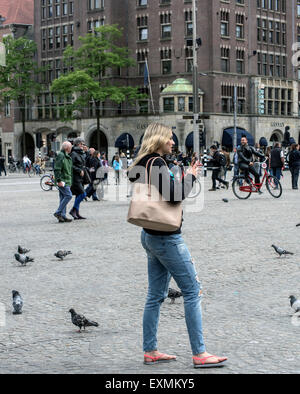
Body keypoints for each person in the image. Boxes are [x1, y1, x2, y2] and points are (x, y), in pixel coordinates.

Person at [128, 122, 227, 369]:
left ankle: (150, 350)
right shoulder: (157, 163)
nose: (173, 142)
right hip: (167, 237)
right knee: (193, 291)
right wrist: (191, 176)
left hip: (149, 235)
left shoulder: (143, 162)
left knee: (155, 296)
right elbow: (174, 196)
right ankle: (200, 353)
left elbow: (157, 189)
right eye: (170, 139)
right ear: (159, 139)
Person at [53, 141, 73, 223]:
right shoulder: (61, 156)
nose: (71, 148)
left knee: (62, 198)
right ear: (66, 148)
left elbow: (69, 170)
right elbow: (57, 169)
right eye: (70, 147)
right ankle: (58, 212)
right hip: (62, 180)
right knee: (68, 195)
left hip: (67, 180)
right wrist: (58, 180)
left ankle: (62, 216)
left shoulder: (67, 156)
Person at [69, 138, 87, 220]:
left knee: (78, 195)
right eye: (82, 144)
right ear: (78, 144)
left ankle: (77, 213)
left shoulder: (81, 153)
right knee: (83, 194)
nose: (83, 146)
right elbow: (71, 165)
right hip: (75, 178)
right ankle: (73, 210)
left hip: (81, 177)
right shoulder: (73, 154)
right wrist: (79, 170)